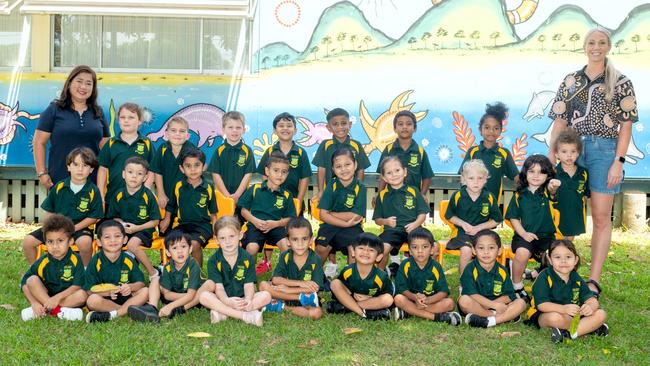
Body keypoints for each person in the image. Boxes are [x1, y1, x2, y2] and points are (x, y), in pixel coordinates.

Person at [547, 28, 638, 297]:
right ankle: (560, 271)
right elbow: (560, 121)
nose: (595, 47)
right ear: (584, 46)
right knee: (564, 212)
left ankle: (593, 280)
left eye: (601, 42)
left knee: (600, 217)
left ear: (608, 46)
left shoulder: (621, 82)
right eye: (591, 42)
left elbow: (626, 126)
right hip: (569, 149)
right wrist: (551, 158)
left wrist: (618, 162)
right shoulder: (571, 80)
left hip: (604, 151)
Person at [22, 147, 103, 266]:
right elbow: (49, 211)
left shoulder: (93, 191)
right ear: (68, 167)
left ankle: (85, 272)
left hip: (80, 228)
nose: (80, 169)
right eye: (76, 164)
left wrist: (73, 228)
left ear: (91, 169)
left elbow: (94, 217)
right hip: (57, 227)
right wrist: (52, 228)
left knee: (85, 243)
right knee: (28, 242)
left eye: (85, 166)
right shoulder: (59, 187)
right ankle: (35, 271)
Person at [33, 65, 110, 189]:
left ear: (93, 89)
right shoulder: (54, 110)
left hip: (92, 181)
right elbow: (39, 142)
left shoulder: (98, 112)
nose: (83, 87)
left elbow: (107, 148)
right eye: (79, 81)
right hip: (60, 179)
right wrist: (42, 173)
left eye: (88, 83)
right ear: (69, 84)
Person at [526, 239, 608, 343]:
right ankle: (587, 328)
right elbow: (542, 305)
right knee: (555, 318)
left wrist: (590, 307)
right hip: (544, 314)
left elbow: (592, 300)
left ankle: (568, 334)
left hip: (573, 315)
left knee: (601, 314)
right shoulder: (544, 277)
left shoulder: (576, 278)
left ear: (575, 260)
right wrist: (563, 309)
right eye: (557, 257)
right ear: (550, 259)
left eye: (568, 257)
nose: (563, 261)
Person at [506, 154, 561, 301]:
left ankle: (550, 287)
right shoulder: (519, 195)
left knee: (554, 258)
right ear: (525, 173)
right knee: (522, 253)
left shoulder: (546, 192)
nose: (536, 175)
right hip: (524, 236)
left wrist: (553, 187)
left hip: (547, 238)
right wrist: (523, 234)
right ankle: (516, 285)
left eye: (541, 172)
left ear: (548, 175)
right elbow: (513, 218)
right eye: (532, 171)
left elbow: (552, 191)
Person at [199, 216, 272, 327]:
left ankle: (224, 313)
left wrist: (247, 299)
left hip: (242, 299)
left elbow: (249, 285)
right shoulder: (213, 261)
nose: (228, 242)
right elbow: (218, 287)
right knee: (204, 296)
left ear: (240, 235)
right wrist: (227, 301)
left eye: (232, 236)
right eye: (222, 238)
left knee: (266, 295)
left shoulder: (247, 258)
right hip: (223, 299)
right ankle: (246, 316)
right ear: (217, 240)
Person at [20, 214, 87, 321]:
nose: (55, 246)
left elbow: (78, 285)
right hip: (46, 296)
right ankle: (58, 312)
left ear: (70, 241)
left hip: (67, 297)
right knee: (31, 280)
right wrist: (34, 302)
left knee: (82, 295)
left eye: (60, 241)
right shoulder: (43, 261)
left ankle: (46, 310)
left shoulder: (76, 260)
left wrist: (57, 298)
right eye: (50, 242)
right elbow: (24, 282)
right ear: (45, 243)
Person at [239, 151, 296, 274]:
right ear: (267, 171)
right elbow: (243, 210)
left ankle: (281, 275)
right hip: (255, 226)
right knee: (251, 248)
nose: (280, 175)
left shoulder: (286, 195)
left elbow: (290, 218)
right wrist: (255, 221)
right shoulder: (255, 189)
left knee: (286, 247)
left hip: (276, 226)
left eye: (284, 172)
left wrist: (276, 224)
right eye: (276, 170)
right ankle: (249, 276)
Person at [160, 147, 218, 268]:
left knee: (195, 244)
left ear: (203, 167)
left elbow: (213, 213)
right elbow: (171, 206)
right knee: (172, 242)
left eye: (197, 165)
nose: (193, 169)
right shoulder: (178, 186)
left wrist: (216, 230)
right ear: (182, 168)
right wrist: (166, 219)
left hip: (202, 226)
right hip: (183, 225)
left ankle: (197, 276)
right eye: (188, 166)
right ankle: (175, 272)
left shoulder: (208, 187)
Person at [127, 230, 202, 323]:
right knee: (156, 279)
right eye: (174, 248)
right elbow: (167, 295)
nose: (180, 251)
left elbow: (191, 295)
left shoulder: (193, 265)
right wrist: (185, 296)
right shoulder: (168, 267)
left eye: (183, 246)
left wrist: (171, 306)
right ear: (168, 253)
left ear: (190, 249)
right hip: (180, 295)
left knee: (203, 291)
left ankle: (158, 312)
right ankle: (152, 307)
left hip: (193, 299)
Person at [458, 229, 527, 328]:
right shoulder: (469, 269)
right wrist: (494, 306)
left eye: (491, 248)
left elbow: (509, 295)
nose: (486, 252)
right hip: (476, 305)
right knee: (464, 301)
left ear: (499, 250)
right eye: (481, 248)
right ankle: (500, 316)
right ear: (474, 250)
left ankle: (489, 321)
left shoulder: (502, 270)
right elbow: (471, 294)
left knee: (521, 303)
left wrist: (496, 304)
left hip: (497, 304)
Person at [106, 156, 161, 278]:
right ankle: (119, 272)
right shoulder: (118, 194)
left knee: (132, 245)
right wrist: (121, 224)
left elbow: (155, 221)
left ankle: (153, 273)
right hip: (124, 229)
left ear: (145, 178)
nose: (134, 176)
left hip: (144, 230)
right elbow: (114, 217)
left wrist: (136, 228)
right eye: (130, 172)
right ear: (123, 174)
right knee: (112, 241)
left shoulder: (148, 196)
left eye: (139, 173)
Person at [258, 217, 324, 319]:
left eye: (304, 239)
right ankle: (285, 304)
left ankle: (279, 306)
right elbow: (276, 279)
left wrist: (288, 289)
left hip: (306, 296)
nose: (300, 243)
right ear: (288, 241)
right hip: (289, 295)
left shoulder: (315, 259)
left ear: (311, 240)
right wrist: (300, 284)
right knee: (263, 285)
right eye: (295, 239)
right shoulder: (285, 256)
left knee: (317, 313)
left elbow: (315, 288)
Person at [84, 220, 149, 323]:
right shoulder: (95, 261)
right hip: (106, 299)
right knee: (92, 300)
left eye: (117, 236)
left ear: (125, 239)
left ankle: (114, 315)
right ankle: (128, 311)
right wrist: (108, 293)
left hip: (127, 297)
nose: (112, 240)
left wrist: (130, 287)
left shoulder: (128, 260)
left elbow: (140, 283)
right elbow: (88, 290)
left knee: (145, 291)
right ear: (99, 242)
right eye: (107, 237)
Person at [393, 228, 460, 325]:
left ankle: (409, 312)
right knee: (398, 299)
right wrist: (415, 298)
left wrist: (427, 300)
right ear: (410, 251)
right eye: (415, 247)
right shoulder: (405, 265)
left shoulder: (435, 267)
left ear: (432, 249)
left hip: (430, 301)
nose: (420, 251)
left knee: (450, 303)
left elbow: (443, 292)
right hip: (411, 299)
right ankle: (435, 317)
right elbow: (401, 288)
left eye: (425, 247)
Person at [445, 159, 502, 275]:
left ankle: (486, 278)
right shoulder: (458, 196)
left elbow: (496, 220)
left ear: (486, 179)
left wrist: (479, 227)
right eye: (471, 178)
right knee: (466, 250)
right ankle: (464, 283)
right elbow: (450, 216)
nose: (476, 182)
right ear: (464, 180)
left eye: (480, 178)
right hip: (462, 233)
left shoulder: (489, 197)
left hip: (482, 233)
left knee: (488, 249)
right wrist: (463, 224)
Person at [315, 146, 366, 275]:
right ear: (333, 169)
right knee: (321, 248)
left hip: (353, 227)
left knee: (354, 250)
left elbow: (356, 215)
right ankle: (316, 276)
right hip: (330, 226)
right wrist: (344, 222)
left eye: (347, 164)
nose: (343, 169)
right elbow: (322, 215)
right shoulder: (331, 185)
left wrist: (331, 214)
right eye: (338, 166)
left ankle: (351, 280)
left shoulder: (360, 187)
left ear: (355, 165)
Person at [373, 156, 429, 270]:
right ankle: (381, 275)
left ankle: (421, 273)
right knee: (382, 249)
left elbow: (422, 213)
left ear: (405, 172)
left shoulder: (413, 191)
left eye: (397, 170)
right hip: (392, 231)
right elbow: (377, 219)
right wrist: (386, 221)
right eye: (389, 173)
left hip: (414, 229)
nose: (394, 174)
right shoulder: (382, 195)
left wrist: (416, 224)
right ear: (384, 178)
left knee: (426, 247)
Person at [459, 102, 518, 203]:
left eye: (496, 128)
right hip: (471, 204)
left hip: (492, 205)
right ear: (480, 130)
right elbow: (463, 177)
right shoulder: (473, 152)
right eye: (487, 127)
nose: (491, 131)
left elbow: (516, 177)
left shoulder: (504, 153)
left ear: (500, 131)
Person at [97, 102, 155, 204]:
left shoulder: (146, 143)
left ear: (140, 121)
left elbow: (153, 169)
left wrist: (146, 189)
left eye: (131, 117)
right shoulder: (111, 143)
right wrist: (100, 194)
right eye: (122, 117)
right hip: (112, 199)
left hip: (139, 199)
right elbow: (102, 169)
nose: (126, 121)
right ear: (118, 120)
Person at [327, 233, 394, 320]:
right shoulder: (348, 271)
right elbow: (340, 290)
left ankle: (346, 308)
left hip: (370, 301)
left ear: (378, 257)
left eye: (371, 250)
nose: (365, 252)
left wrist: (369, 299)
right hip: (352, 297)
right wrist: (352, 296)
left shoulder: (381, 276)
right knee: (335, 283)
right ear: (353, 252)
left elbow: (389, 295)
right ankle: (363, 313)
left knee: (388, 299)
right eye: (361, 248)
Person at [311, 108, 371, 201]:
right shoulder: (325, 145)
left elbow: (360, 169)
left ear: (350, 125)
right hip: (330, 193)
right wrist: (321, 191)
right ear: (329, 128)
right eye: (335, 124)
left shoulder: (356, 145)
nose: (340, 127)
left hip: (351, 193)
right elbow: (321, 169)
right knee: (327, 214)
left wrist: (357, 189)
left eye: (343, 123)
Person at [256, 112, 311, 209]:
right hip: (272, 202)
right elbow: (265, 176)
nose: (285, 128)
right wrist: (269, 196)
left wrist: (298, 200)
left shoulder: (301, 153)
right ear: (274, 131)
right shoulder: (270, 151)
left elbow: (304, 178)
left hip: (294, 200)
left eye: (289, 126)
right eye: (281, 126)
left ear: (295, 130)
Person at [376, 110, 433, 202]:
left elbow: (427, 177)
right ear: (395, 128)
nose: (404, 127)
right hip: (391, 198)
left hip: (413, 199)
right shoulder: (389, 150)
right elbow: (382, 176)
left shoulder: (420, 152)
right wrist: (379, 194)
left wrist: (421, 195)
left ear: (415, 128)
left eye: (409, 124)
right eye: (400, 124)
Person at [151, 116, 196, 216]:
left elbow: (197, 173)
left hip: (185, 198)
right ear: (166, 134)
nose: (177, 134)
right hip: (166, 197)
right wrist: (161, 193)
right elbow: (158, 172)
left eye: (182, 131)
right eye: (173, 130)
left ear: (187, 135)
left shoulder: (191, 150)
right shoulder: (163, 148)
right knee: (164, 225)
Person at [208, 111, 255, 205]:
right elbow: (215, 175)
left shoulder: (247, 151)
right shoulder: (219, 151)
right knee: (224, 220)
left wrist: (237, 195)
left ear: (244, 130)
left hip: (242, 197)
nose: (234, 130)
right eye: (230, 127)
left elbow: (248, 175)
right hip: (222, 196)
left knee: (240, 219)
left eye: (238, 127)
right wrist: (227, 196)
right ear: (223, 129)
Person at [553, 129, 590, 240]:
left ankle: (568, 255)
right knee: (555, 242)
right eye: (564, 152)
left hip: (574, 214)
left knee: (569, 241)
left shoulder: (583, 172)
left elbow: (586, 194)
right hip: (557, 213)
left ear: (578, 153)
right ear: (557, 154)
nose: (569, 155)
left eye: (573, 152)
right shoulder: (553, 173)